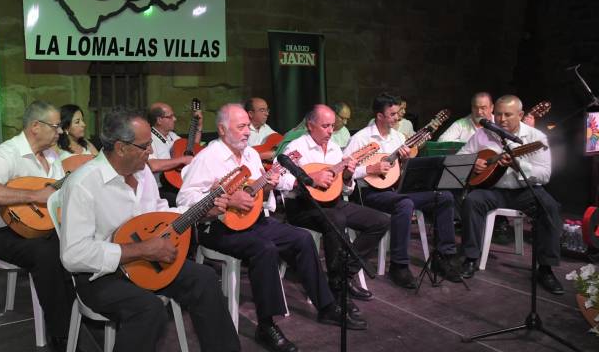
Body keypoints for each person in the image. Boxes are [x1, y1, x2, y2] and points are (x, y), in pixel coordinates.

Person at [59, 109, 239, 352]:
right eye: (145, 146)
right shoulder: (82, 184)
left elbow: (161, 216)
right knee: (149, 310)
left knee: (205, 279)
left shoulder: (142, 172)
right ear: (121, 148)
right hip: (100, 276)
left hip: (149, 264)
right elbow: (73, 256)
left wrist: (203, 211)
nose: (151, 152)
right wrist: (140, 249)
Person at [178, 104, 345, 352]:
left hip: (253, 221)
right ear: (223, 130)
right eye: (241, 126)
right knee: (264, 248)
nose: (247, 132)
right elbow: (184, 201)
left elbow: (258, 194)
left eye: (248, 126)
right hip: (216, 227)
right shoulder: (207, 158)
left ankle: (326, 306)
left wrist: (266, 187)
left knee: (301, 238)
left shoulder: (251, 155)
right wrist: (225, 200)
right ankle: (266, 325)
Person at [0, 100, 75, 351]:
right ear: (35, 127)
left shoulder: (54, 155)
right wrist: (33, 196)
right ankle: (62, 335)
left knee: (77, 240)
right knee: (47, 254)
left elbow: (74, 172)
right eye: (56, 126)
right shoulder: (4, 154)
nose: (61, 132)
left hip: (45, 227)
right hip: (5, 233)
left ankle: (82, 313)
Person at [277, 105, 389, 327]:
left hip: (332, 202)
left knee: (381, 221)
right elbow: (277, 177)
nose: (330, 130)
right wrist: (306, 180)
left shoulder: (336, 149)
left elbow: (344, 189)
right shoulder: (297, 148)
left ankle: (343, 274)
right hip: (302, 206)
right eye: (325, 126)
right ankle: (337, 291)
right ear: (310, 125)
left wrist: (347, 176)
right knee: (337, 220)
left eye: (332, 126)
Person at [343, 93, 461, 289]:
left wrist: (405, 162)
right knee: (404, 204)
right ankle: (399, 265)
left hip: (395, 189)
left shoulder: (399, 137)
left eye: (398, 113)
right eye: (393, 114)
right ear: (379, 116)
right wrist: (369, 169)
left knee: (444, 197)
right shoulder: (360, 138)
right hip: (369, 194)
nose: (398, 117)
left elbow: (400, 173)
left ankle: (443, 257)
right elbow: (344, 171)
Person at [456, 95, 564, 294]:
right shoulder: (483, 134)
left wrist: (519, 165)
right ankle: (470, 258)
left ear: (521, 115)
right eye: (498, 114)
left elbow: (545, 175)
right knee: (472, 201)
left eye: (508, 114)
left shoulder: (536, 138)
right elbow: (460, 157)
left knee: (549, 206)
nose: (502, 119)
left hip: (524, 191)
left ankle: (545, 269)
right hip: (492, 190)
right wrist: (474, 162)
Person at [147, 102, 202, 206]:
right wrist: (182, 160)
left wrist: (198, 127)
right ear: (159, 120)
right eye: (171, 116)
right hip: (160, 189)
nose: (175, 119)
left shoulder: (172, 136)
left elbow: (192, 148)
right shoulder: (149, 137)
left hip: (176, 184)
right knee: (188, 203)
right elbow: (152, 165)